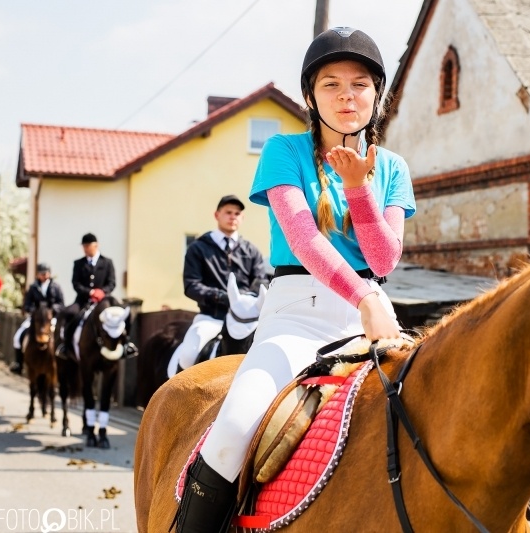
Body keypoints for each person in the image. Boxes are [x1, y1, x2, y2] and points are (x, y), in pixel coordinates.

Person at [173, 27, 416, 533]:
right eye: (331, 84)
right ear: (310, 95)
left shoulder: (392, 167)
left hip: (370, 322)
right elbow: (304, 240)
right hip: (295, 318)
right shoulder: (283, 151)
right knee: (234, 428)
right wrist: (365, 294)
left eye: (360, 83)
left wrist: (358, 189)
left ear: (379, 95)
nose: (347, 95)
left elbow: (384, 258)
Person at [166, 194, 269, 377]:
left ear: (242, 218)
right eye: (228, 212)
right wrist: (223, 297)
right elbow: (191, 285)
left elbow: (261, 280)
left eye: (237, 213)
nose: (233, 216)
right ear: (217, 215)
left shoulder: (251, 251)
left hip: (246, 321)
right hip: (211, 318)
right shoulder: (198, 248)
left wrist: (245, 301)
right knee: (189, 354)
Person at [57, 233, 121, 358]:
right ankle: (65, 345)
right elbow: (76, 284)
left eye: (88, 246)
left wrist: (102, 292)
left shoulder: (107, 262)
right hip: (83, 300)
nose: (85, 248)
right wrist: (90, 292)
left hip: (103, 300)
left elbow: (112, 283)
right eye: (84, 246)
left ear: (96, 245)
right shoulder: (78, 263)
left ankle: (125, 344)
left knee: (121, 313)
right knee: (68, 313)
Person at [10, 263, 65, 375]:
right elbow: (27, 305)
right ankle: (19, 364)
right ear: (38, 275)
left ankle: (60, 362)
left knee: (61, 336)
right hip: (36, 319)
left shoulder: (56, 287)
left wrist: (50, 310)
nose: (43, 276)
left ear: (49, 274)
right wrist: (35, 311)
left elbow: (61, 304)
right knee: (18, 336)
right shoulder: (33, 287)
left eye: (45, 273)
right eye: (41, 274)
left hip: (51, 319)